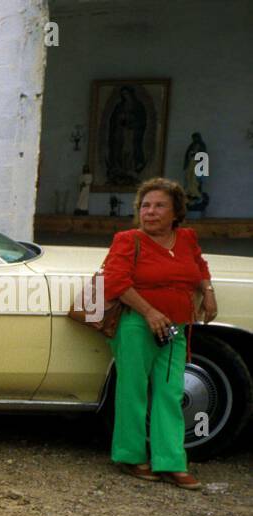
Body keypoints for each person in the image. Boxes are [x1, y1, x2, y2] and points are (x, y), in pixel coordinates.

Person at [103, 177, 217, 490]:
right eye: (145, 206)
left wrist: (207, 292)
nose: (150, 212)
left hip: (176, 327)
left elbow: (200, 267)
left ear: (176, 211)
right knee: (133, 390)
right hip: (137, 324)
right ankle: (130, 455)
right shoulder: (128, 239)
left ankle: (171, 462)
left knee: (170, 393)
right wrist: (149, 312)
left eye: (159, 206)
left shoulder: (187, 239)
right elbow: (115, 282)